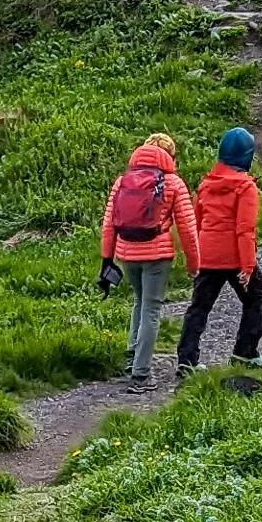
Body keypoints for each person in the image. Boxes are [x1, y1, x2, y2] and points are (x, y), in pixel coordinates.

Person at [97, 132, 200, 389]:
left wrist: (106, 259)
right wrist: (194, 264)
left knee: (140, 301)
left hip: (126, 253)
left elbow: (109, 224)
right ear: (169, 155)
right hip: (157, 255)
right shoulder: (174, 183)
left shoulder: (122, 181)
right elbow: (187, 228)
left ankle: (132, 357)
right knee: (152, 309)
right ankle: (141, 375)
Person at [179, 128, 262, 371]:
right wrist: (248, 266)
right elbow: (245, 230)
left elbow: (196, 224)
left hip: (207, 256)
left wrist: (195, 258)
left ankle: (187, 361)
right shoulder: (245, 187)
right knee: (255, 298)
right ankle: (245, 353)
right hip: (233, 256)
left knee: (199, 308)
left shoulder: (206, 184)